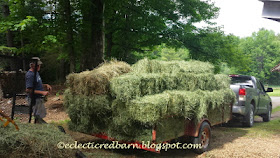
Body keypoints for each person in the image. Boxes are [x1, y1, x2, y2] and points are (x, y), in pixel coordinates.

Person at [25, 57, 52, 123]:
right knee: (38, 117)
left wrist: (45, 85)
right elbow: (28, 90)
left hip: (38, 99)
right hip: (34, 99)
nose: (39, 66)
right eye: (37, 65)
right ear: (32, 65)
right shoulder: (30, 75)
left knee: (39, 117)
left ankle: (38, 129)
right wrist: (42, 92)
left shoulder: (36, 73)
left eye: (39, 65)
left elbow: (36, 85)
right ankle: (38, 130)